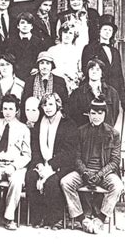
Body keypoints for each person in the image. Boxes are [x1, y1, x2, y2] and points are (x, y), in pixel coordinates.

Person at [60, 98, 123, 234]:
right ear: (88, 114)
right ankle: (82, 219)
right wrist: (85, 172)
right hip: (85, 171)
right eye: (93, 113)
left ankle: (100, 218)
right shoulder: (81, 131)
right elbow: (76, 158)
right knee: (66, 182)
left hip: (105, 173)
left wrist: (100, 174)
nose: (96, 117)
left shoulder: (113, 134)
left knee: (117, 186)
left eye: (100, 113)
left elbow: (115, 161)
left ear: (105, 114)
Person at [25, 93, 77, 229]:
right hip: (42, 164)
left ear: (58, 105)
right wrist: (39, 164)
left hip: (61, 165)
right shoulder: (39, 124)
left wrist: (51, 166)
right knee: (31, 176)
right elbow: (35, 147)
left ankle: (55, 219)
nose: (47, 108)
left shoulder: (68, 123)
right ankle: (38, 217)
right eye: (45, 104)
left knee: (53, 181)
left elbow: (69, 151)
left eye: (51, 104)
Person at [0, 94, 31, 230]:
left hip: (14, 165)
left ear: (16, 111)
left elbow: (27, 155)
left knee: (16, 181)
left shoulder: (23, 129)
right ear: (1, 110)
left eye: (11, 109)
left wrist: (14, 166)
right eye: (5, 108)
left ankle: (9, 218)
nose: (7, 112)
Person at [81, 14, 125, 111]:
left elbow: (119, 75)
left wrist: (123, 96)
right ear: (99, 31)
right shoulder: (90, 48)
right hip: (97, 91)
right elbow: (85, 70)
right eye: (105, 29)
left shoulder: (115, 52)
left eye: (110, 30)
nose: (107, 32)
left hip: (113, 94)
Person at [68, 59, 120, 127]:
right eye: (92, 69)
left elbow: (114, 114)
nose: (94, 72)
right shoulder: (77, 93)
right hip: (85, 134)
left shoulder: (112, 93)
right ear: (88, 72)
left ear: (102, 73)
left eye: (98, 69)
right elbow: (73, 115)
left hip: (105, 134)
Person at [20, 51, 68, 122]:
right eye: (42, 63)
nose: (44, 66)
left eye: (47, 63)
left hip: (54, 120)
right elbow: (24, 103)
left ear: (52, 66)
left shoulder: (60, 81)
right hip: (35, 120)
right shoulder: (30, 81)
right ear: (38, 65)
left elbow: (65, 103)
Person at [7, 12, 46, 82]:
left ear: (32, 26)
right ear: (18, 26)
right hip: (16, 77)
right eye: (22, 23)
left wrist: (37, 68)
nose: (25, 25)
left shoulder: (39, 42)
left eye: (28, 23)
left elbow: (42, 58)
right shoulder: (11, 42)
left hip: (34, 76)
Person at [48, 21, 84, 94]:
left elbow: (80, 70)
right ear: (61, 34)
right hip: (55, 83)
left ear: (74, 35)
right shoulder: (52, 50)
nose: (67, 35)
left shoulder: (78, 51)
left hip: (72, 84)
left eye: (70, 33)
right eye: (65, 32)